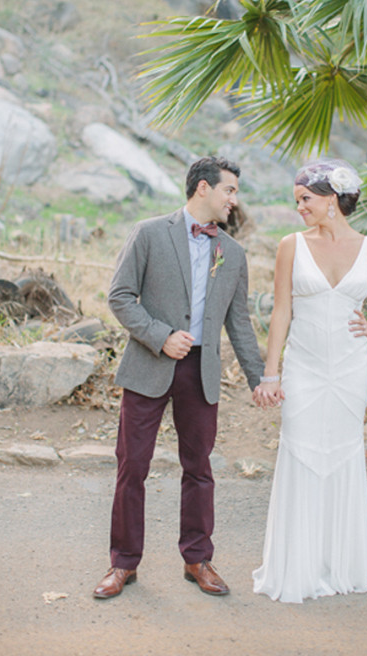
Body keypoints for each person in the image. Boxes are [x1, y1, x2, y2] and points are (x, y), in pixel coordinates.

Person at [93, 156, 264, 600]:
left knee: (200, 469)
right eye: (229, 190)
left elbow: (239, 323)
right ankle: (122, 564)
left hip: (202, 371)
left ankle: (197, 559)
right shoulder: (149, 232)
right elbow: (120, 296)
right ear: (203, 188)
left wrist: (258, 378)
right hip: (150, 362)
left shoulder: (234, 252)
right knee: (133, 468)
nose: (234, 199)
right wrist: (161, 336)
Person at [252, 158, 367, 603]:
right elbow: (281, 311)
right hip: (304, 366)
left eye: (306, 198)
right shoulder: (290, 245)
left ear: (332, 200)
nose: (299, 206)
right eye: (297, 199)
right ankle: (297, 568)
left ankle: (340, 565)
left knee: (343, 454)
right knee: (300, 451)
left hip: (350, 368)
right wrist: (271, 372)